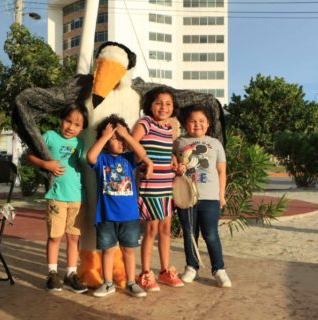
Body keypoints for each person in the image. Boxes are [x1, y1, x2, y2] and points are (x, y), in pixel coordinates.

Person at [87, 114, 153, 298]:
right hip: (106, 216)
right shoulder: (102, 159)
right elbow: (90, 157)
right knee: (108, 251)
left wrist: (126, 136)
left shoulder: (129, 158)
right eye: (116, 139)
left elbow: (142, 154)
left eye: (122, 138)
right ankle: (108, 284)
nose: (121, 142)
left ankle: (131, 282)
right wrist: (106, 136)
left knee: (128, 250)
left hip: (129, 216)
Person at [27, 103, 89, 293]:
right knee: (55, 237)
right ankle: (52, 273)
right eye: (68, 121)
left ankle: (70, 274)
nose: (71, 127)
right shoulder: (49, 136)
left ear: (82, 128)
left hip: (78, 197)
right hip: (56, 197)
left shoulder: (81, 143)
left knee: (73, 238)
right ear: (61, 120)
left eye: (77, 125)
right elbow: (30, 155)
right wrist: (46, 164)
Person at [173, 103, 231, 288]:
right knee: (190, 234)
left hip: (210, 198)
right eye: (192, 121)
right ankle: (191, 266)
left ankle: (219, 269)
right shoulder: (179, 143)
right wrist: (177, 169)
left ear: (208, 124)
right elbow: (172, 165)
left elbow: (221, 171)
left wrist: (221, 195)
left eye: (201, 121)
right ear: (185, 124)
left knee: (211, 234)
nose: (197, 124)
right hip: (186, 197)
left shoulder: (215, 144)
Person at [133, 86, 184, 291]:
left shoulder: (168, 128)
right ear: (150, 105)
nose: (164, 107)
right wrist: (144, 161)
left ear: (173, 107)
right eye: (159, 102)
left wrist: (173, 159)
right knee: (151, 230)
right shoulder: (145, 122)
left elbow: (164, 149)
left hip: (166, 186)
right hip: (149, 186)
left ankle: (164, 271)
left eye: (168, 103)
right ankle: (145, 274)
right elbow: (131, 144)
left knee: (165, 229)